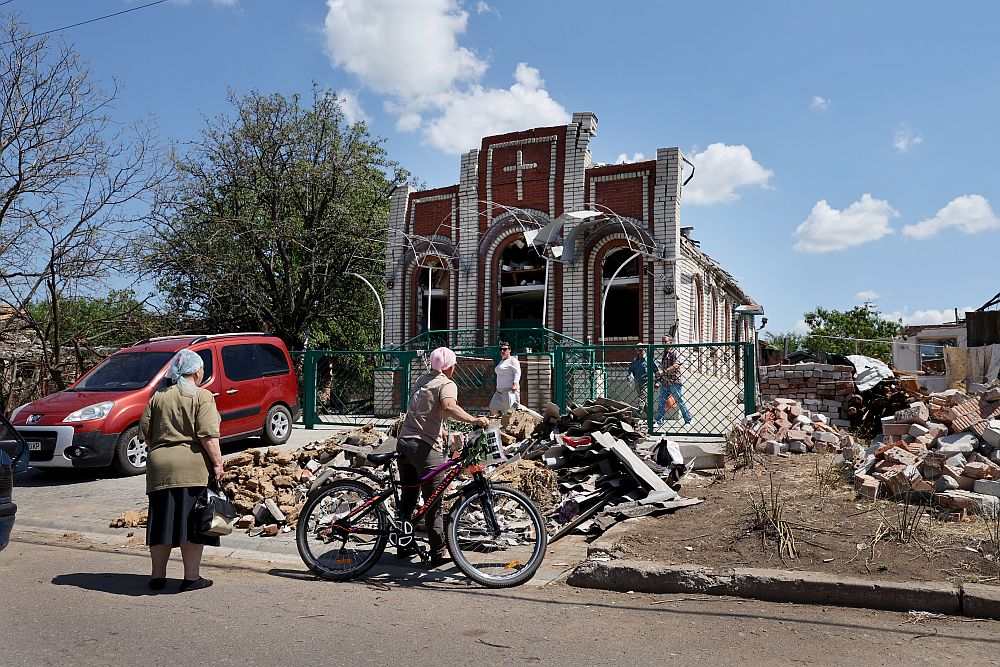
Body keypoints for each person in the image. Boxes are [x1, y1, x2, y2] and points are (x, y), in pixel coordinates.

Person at [139, 349, 223, 593]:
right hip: (192, 468)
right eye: (203, 369)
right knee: (192, 525)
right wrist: (217, 464)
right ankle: (191, 577)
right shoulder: (202, 397)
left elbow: (145, 432)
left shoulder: (158, 396)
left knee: (161, 524)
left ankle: (157, 577)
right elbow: (208, 435)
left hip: (159, 469)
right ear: (196, 371)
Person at [397, 347, 490, 566]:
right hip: (423, 448)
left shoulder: (422, 379)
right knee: (434, 501)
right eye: (454, 365)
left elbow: (427, 412)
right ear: (449, 367)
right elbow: (449, 406)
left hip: (404, 443)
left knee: (408, 499)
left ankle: (402, 543)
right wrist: (474, 420)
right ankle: (438, 551)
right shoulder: (447, 383)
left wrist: (444, 432)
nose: (455, 368)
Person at [656, 335, 693, 427]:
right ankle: (659, 421)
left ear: (670, 342)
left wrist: (664, 371)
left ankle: (688, 420)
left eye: (665, 342)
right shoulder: (664, 353)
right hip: (665, 382)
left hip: (674, 382)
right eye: (662, 342)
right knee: (661, 401)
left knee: (679, 401)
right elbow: (662, 367)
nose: (663, 344)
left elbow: (677, 365)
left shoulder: (675, 352)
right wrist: (658, 377)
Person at [489, 341, 521, 416]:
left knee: (511, 411)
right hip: (499, 391)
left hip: (509, 390)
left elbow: (517, 372)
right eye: (501, 349)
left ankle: (511, 426)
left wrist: (515, 384)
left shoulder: (513, 360)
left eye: (505, 349)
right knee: (493, 407)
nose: (502, 351)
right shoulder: (502, 361)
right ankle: (498, 423)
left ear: (509, 350)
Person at [627, 346, 649, 415]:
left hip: (646, 382)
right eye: (637, 350)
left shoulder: (648, 360)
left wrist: (657, 381)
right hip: (637, 382)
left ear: (644, 350)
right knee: (644, 401)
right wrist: (629, 375)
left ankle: (637, 413)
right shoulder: (635, 360)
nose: (639, 351)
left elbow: (656, 370)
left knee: (642, 398)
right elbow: (631, 369)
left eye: (640, 349)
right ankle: (651, 419)